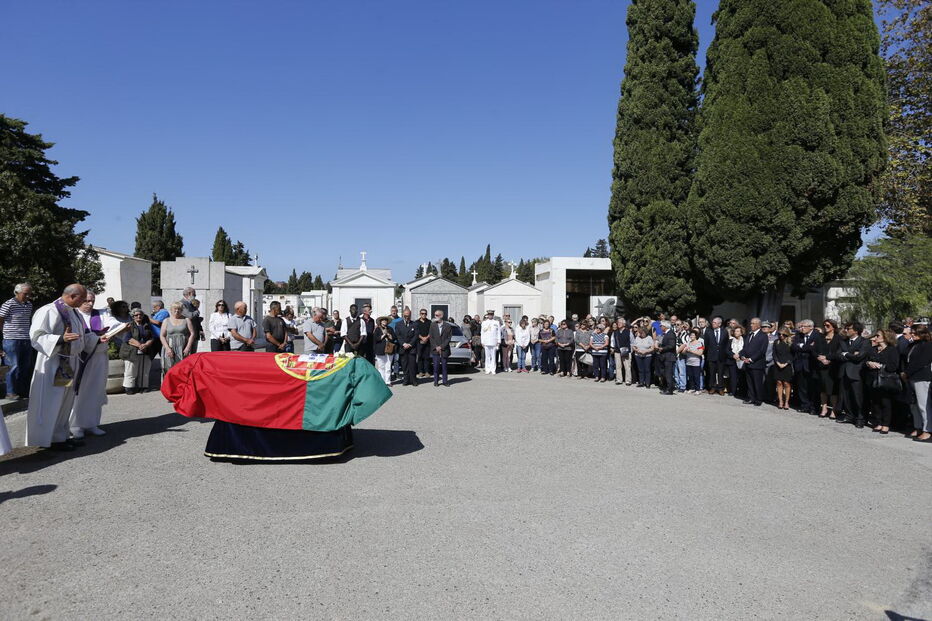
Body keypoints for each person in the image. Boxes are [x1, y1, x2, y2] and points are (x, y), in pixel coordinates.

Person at [26, 284, 104, 450]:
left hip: (69, 362)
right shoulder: (49, 311)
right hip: (53, 363)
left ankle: (60, 435)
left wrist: (96, 339)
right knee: (52, 401)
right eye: (83, 299)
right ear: (72, 296)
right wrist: (61, 339)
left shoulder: (73, 312)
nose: (85, 302)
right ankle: (47, 439)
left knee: (65, 402)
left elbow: (79, 336)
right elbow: (36, 337)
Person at [69, 291, 125, 438]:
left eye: (92, 301)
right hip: (80, 358)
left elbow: (113, 324)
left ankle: (91, 423)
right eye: (87, 301)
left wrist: (120, 328)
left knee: (96, 390)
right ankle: (75, 425)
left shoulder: (101, 313)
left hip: (99, 357)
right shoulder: (73, 315)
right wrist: (96, 338)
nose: (90, 304)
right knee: (79, 391)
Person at [0, 283, 35, 400]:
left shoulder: (29, 305)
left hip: (26, 338)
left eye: (29, 294)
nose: (28, 296)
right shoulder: (9, 304)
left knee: (25, 366)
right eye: (25, 294)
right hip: (11, 339)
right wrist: (4, 333)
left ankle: (22, 391)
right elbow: (0, 319)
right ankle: (10, 392)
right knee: (12, 366)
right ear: (17, 293)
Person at [835, 321, 871, 428]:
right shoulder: (843, 341)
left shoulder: (864, 341)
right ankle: (850, 415)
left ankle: (861, 418)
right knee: (846, 396)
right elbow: (838, 355)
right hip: (844, 372)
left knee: (858, 396)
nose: (846, 330)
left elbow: (859, 357)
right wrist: (851, 354)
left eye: (848, 328)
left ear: (856, 331)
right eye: (845, 328)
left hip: (856, 373)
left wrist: (846, 354)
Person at [866, 329, 901, 434]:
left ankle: (886, 424)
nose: (875, 337)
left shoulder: (892, 350)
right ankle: (878, 422)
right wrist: (868, 363)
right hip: (872, 379)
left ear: (886, 337)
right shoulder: (873, 349)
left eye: (878, 335)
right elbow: (865, 361)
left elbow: (894, 366)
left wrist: (880, 365)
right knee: (875, 402)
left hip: (885, 380)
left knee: (885, 402)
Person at [905, 325, 932, 442]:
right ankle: (918, 427)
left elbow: (922, 362)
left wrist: (907, 372)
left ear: (922, 334)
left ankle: (928, 430)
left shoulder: (928, 345)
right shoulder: (913, 345)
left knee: (923, 405)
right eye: (912, 333)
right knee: (914, 405)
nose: (912, 335)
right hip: (912, 377)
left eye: (915, 333)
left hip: (922, 377)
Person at [122, 308, 157, 394]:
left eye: (140, 315)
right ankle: (129, 387)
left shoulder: (147, 325)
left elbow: (152, 337)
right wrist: (140, 345)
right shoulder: (129, 325)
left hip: (146, 350)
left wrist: (146, 345)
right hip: (131, 351)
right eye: (136, 315)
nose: (139, 316)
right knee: (131, 370)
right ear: (133, 316)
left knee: (145, 370)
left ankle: (143, 386)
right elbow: (128, 338)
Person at [791, 320, 822, 414]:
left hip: (811, 365)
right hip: (800, 364)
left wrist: (802, 346)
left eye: (804, 326)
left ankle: (814, 407)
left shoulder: (817, 336)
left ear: (811, 327)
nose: (801, 328)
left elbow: (814, 348)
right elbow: (794, 347)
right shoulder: (798, 336)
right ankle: (805, 405)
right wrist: (807, 346)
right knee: (802, 387)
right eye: (801, 327)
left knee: (813, 387)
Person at [815, 319, 842, 418]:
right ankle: (824, 408)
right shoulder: (820, 337)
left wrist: (829, 359)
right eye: (824, 325)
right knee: (823, 389)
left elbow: (839, 352)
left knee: (833, 390)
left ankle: (834, 410)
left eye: (828, 325)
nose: (825, 327)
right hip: (821, 366)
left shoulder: (839, 338)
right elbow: (814, 350)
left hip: (833, 367)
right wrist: (819, 358)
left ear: (833, 327)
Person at [740, 318, 768, 406]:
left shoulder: (763, 336)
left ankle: (758, 399)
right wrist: (742, 355)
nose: (751, 325)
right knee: (750, 382)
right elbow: (745, 348)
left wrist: (751, 359)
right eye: (751, 323)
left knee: (757, 382)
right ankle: (751, 398)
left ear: (758, 325)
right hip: (747, 363)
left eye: (753, 323)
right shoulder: (749, 335)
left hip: (757, 364)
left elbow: (762, 351)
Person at [160, 302, 195, 374]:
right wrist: (167, 348)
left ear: (182, 310)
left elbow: (192, 333)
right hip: (169, 347)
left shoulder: (186, 320)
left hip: (183, 348)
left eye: (179, 309)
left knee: (182, 369)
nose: (177, 311)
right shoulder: (166, 320)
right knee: (168, 368)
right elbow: (162, 335)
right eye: (175, 309)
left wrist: (188, 347)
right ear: (171, 310)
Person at [704, 316, 729, 395]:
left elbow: (726, 344)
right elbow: (706, 344)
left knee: (721, 373)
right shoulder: (708, 332)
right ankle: (713, 387)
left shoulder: (724, 331)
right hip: (712, 355)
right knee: (712, 373)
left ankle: (721, 388)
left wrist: (724, 353)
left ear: (719, 324)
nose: (713, 324)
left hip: (721, 356)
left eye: (715, 323)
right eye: (713, 322)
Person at [395, 307, 419, 386]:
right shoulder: (398, 324)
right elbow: (398, 336)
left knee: (412, 365)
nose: (407, 317)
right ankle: (406, 380)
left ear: (410, 315)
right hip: (403, 348)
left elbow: (416, 335)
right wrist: (403, 344)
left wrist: (410, 344)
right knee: (404, 365)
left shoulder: (415, 324)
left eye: (408, 315)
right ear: (403, 315)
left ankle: (413, 380)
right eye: (405, 315)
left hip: (412, 348)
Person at [429, 309, 452, 387]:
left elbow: (448, 338)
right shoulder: (432, 325)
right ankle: (436, 381)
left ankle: (445, 381)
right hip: (435, 349)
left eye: (437, 315)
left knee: (444, 366)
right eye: (435, 315)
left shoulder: (447, 326)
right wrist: (436, 346)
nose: (435, 316)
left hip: (444, 350)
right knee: (436, 367)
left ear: (441, 316)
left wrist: (441, 346)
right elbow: (431, 337)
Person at [773, 327, 794, 410]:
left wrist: (786, 363)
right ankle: (780, 401)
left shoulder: (790, 343)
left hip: (787, 365)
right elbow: (774, 354)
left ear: (787, 334)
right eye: (779, 334)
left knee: (786, 383)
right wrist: (778, 363)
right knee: (779, 382)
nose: (781, 336)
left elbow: (792, 355)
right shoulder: (776, 342)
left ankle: (787, 402)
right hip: (777, 364)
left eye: (783, 334)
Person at [373, 316, 396, 385]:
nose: (384, 322)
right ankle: (382, 381)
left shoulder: (390, 329)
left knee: (388, 366)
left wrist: (388, 334)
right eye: (383, 320)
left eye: (386, 320)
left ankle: (388, 381)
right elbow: (376, 339)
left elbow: (394, 338)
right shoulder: (377, 329)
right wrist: (383, 335)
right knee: (381, 366)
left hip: (389, 349)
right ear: (380, 322)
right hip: (380, 350)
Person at [657, 321, 677, 395]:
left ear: (665, 326)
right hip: (664, 357)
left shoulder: (671, 334)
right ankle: (665, 388)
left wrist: (663, 348)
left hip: (669, 357)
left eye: (661, 326)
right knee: (664, 374)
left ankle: (669, 389)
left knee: (668, 374)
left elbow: (672, 345)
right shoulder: (665, 334)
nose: (660, 327)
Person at [682, 329, 705, 394]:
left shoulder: (699, 343)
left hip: (696, 362)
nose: (691, 336)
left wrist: (691, 351)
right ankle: (692, 388)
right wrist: (685, 350)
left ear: (696, 336)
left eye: (693, 335)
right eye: (690, 335)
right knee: (690, 376)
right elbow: (683, 353)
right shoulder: (688, 343)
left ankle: (698, 389)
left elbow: (700, 353)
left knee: (696, 376)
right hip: (688, 362)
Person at [180, 287, 202, 352]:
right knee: (186, 354)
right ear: (189, 293)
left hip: (194, 333)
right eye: (194, 294)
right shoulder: (182, 303)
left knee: (193, 355)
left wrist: (200, 330)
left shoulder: (191, 304)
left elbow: (195, 319)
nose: (195, 296)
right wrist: (197, 312)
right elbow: (190, 316)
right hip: (187, 334)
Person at [611, 318, 631, 386]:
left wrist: (630, 350)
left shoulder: (628, 331)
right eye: (618, 322)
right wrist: (612, 348)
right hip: (617, 351)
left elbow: (632, 342)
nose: (618, 324)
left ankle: (628, 380)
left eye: (620, 322)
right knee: (618, 366)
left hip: (626, 351)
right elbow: (613, 341)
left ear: (624, 324)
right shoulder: (615, 332)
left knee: (627, 366)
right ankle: (619, 380)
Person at [726, 326, 745, 399]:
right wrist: (733, 355)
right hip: (732, 360)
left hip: (742, 360)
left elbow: (745, 349)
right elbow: (727, 350)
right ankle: (733, 391)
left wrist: (739, 354)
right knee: (733, 377)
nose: (736, 333)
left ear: (741, 333)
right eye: (735, 331)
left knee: (742, 377)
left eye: (738, 331)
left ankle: (741, 392)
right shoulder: (730, 340)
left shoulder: (745, 340)